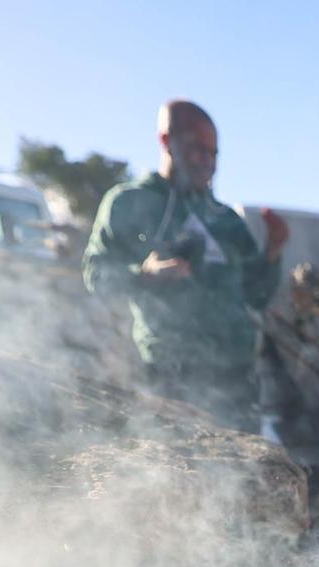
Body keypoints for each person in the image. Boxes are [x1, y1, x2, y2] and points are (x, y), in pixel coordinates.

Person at [84, 100, 289, 428]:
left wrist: (273, 251)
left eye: (213, 153)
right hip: (173, 373)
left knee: (244, 475)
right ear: (166, 141)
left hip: (237, 376)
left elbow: (257, 294)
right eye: (196, 149)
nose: (206, 161)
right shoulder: (130, 202)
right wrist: (144, 275)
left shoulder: (226, 221)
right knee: (181, 472)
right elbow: (96, 274)